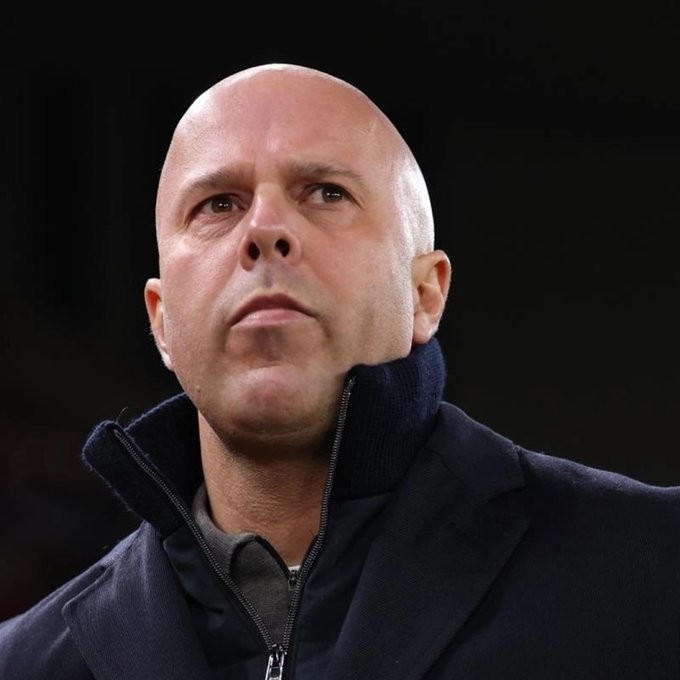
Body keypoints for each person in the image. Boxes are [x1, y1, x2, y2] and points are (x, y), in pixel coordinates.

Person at [1, 62, 679, 680]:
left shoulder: (655, 572)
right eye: (219, 204)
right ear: (161, 322)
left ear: (425, 294)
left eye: (325, 192)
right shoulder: (24, 664)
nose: (264, 229)